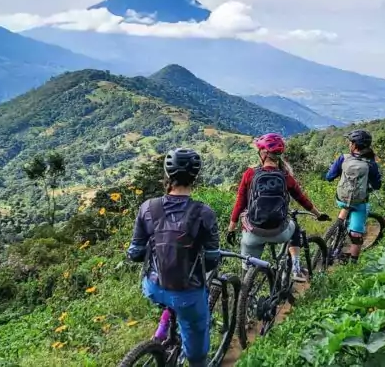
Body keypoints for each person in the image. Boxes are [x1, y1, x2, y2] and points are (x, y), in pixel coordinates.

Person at [127, 148, 220, 367]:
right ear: (195, 177)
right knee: (198, 356)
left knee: (169, 298)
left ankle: (161, 332)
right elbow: (213, 259)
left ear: (167, 175)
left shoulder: (147, 208)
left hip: (153, 288)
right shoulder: (204, 213)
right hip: (187, 295)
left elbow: (134, 253)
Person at [226, 133, 329, 282]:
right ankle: (296, 268)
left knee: (247, 268)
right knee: (295, 227)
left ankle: (246, 291)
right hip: (279, 232)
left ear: (263, 153)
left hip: (252, 233)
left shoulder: (250, 174)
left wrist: (231, 228)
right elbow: (302, 200)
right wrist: (318, 214)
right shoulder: (286, 177)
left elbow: (240, 203)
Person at [324, 129, 382, 263]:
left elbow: (329, 177)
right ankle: (353, 264)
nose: (349, 144)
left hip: (341, 199)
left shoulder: (343, 158)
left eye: (350, 142)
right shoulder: (371, 164)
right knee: (356, 235)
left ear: (355, 145)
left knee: (346, 205)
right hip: (359, 202)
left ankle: (337, 229)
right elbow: (377, 185)